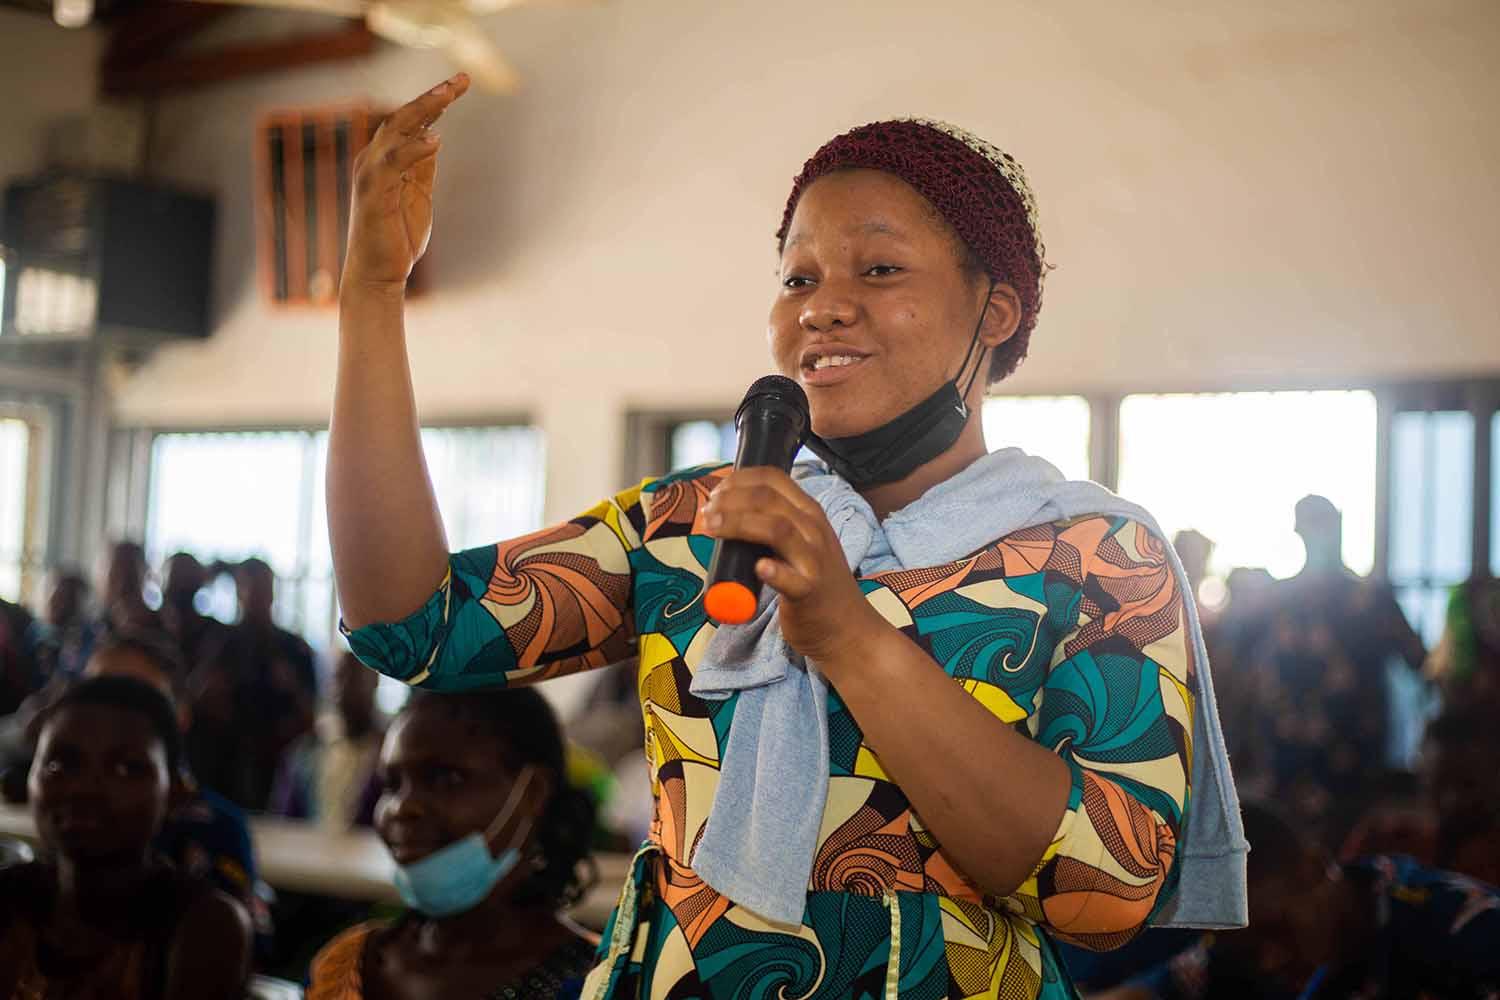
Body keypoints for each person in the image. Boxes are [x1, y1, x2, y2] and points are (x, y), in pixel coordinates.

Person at [326, 75, 1244, 998]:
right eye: (798, 277)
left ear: (994, 313)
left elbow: (1106, 892)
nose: (821, 305)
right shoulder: (698, 523)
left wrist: (849, 636)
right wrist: (371, 292)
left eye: (878, 270)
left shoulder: (1095, 557)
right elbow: (414, 624)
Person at [306, 687, 598, 999]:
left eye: (445, 779)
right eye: (391, 784)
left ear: (532, 794)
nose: (402, 807)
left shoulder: (597, 982)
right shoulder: (349, 965)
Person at [0, 675, 252, 998]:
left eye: (125, 769)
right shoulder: (10, 904)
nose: (84, 790)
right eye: (59, 765)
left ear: (175, 792)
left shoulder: (204, 928)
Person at [1090, 801, 1500, 1000]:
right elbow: (1155, 992)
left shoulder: (1456, 926)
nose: (1268, 962)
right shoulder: (1247, 946)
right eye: (1250, 950)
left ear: (1313, 867)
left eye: (1277, 931)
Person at [1236, 495, 1428, 847]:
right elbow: (1236, 667)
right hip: (1294, 760)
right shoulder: (1280, 600)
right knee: (1294, 853)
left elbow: (1419, 660)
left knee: (1345, 848)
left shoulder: (1368, 598)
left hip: (1350, 757)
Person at [189, 557, 319, 809]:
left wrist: (290, 688)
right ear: (239, 592)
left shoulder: (294, 649)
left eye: (264, 589)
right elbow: (197, 699)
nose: (258, 597)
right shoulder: (220, 643)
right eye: (251, 588)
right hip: (225, 763)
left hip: (277, 765)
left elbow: (312, 718)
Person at [269, 648, 385, 830]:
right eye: (339, 678)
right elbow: (285, 821)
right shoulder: (304, 753)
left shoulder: (387, 755)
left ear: (374, 683)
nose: (345, 688)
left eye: (356, 679)